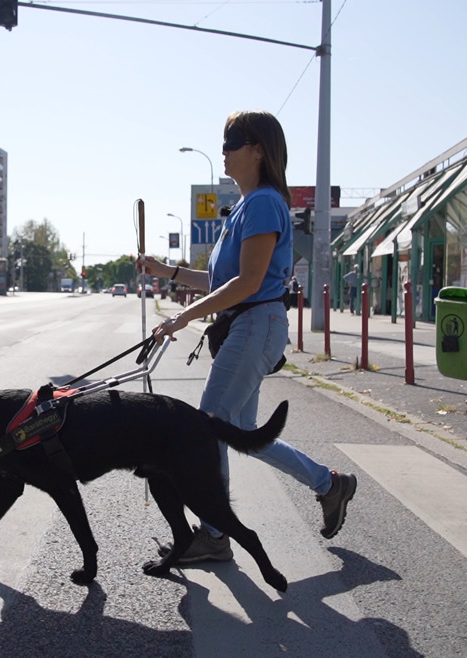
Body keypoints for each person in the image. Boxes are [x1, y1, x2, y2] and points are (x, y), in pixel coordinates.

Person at [139, 110, 357, 563]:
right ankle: (330, 484)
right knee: (244, 434)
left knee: (209, 424)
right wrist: (167, 270)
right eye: (222, 141)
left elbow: (249, 282)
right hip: (251, 324)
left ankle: (215, 533)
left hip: (256, 322)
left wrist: (183, 319)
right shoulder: (246, 205)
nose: (224, 150)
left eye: (232, 140)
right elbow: (223, 277)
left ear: (258, 148)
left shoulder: (262, 203)